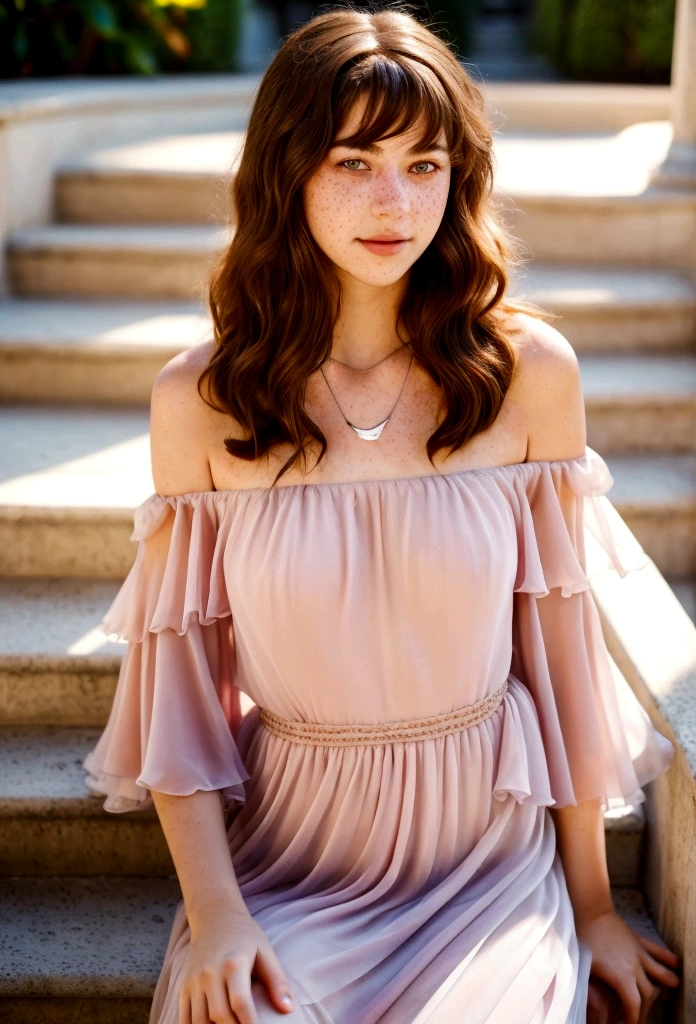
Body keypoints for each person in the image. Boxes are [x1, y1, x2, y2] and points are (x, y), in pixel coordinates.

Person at [83, 5, 682, 1023]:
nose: (394, 201)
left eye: (425, 164)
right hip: (293, 864)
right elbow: (178, 697)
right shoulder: (203, 400)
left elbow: (561, 657)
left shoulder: (527, 374)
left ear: (460, 178)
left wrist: (591, 906)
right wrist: (219, 914)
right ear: (287, 173)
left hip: (483, 866)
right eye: (353, 161)